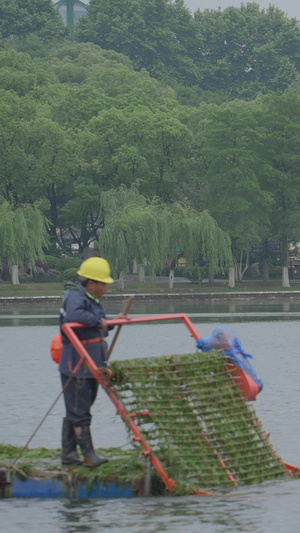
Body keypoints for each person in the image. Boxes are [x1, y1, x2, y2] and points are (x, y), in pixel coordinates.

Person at [59, 256, 123, 467]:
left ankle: (69, 454)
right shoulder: (76, 297)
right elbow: (73, 317)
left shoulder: (93, 301)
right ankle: (88, 455)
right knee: (79, 410)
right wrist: (98, 321)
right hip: (77, 364)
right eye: (102, 283)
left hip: (92, 364)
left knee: (78, 409)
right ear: (91, 282)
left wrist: (113, 322)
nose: (105, 288)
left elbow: (98, 328)